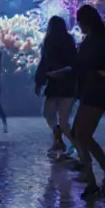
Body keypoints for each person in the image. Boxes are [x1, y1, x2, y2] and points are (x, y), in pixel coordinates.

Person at [70, 6, 105, 199]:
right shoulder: (90, 42)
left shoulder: (102, 42)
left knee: (82, 134)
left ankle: (98, 178)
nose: (79, 26)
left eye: (81, 22)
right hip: (88, 92)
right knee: (79, 135)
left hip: (97, 93)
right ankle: (102, 176)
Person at [35, 15, 78, 161]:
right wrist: (39, 81)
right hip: (56, 84)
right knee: (49, 113)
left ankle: (75, 146)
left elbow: (73, 63)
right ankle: (59, 136)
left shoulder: (67, 41)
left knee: (62, 119)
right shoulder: (48, 42)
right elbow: (44, 61)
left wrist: (41, 80)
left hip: (66, 84)